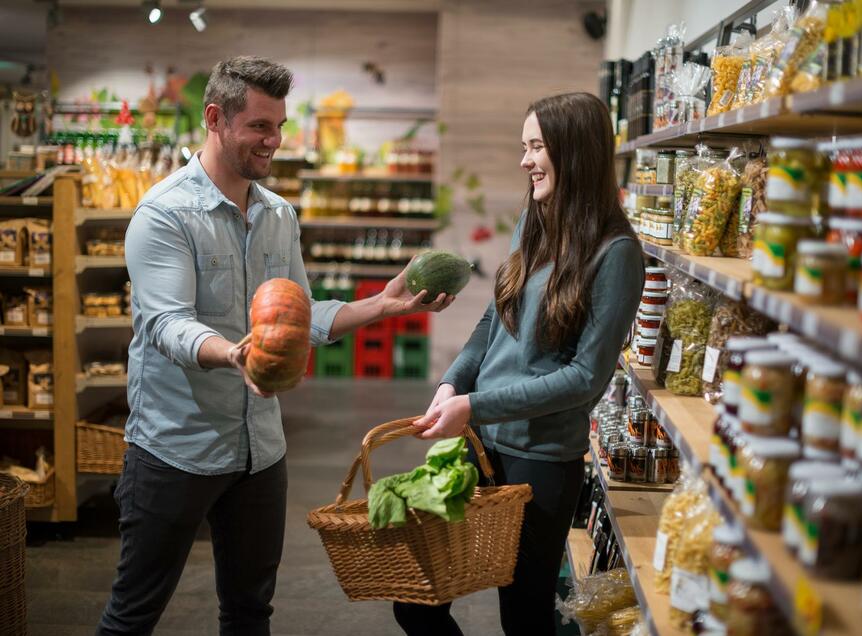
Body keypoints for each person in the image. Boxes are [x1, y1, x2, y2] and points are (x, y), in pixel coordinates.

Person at [96, 56, 453, 636]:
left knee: (250, 613)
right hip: (174, 449)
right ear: (215, 118)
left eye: (279, 125)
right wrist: (234, 353)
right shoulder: (164, 214)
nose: (275, 141)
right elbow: (166, 324)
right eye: (260, 126)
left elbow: (303, 317)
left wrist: (385, 305)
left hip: (259, 453)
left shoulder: (278, 215)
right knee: (133, 614)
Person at [393, 92, 644, 635]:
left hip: (541, 463)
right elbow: (492, 321)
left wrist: (474, 403)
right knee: (415, 600)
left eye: (537, 147)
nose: (525, 160)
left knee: (524, 619)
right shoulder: (533, 223)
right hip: (479, 447)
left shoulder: (616, 253)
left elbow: (585, 378)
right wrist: (451, 383)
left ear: (574, 153)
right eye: (524, 146)